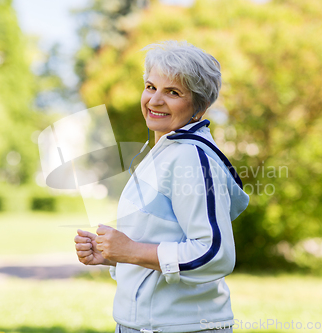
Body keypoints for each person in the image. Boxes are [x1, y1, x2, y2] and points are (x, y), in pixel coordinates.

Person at [75, 40, 249, 333]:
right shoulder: (164, 152)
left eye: (173, 92)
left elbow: (214, 253)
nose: (155, 100)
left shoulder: (189, 156)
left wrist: (130, 250)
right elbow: (161, 238)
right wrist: (112, 254)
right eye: (151, 87)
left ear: (199, 106)